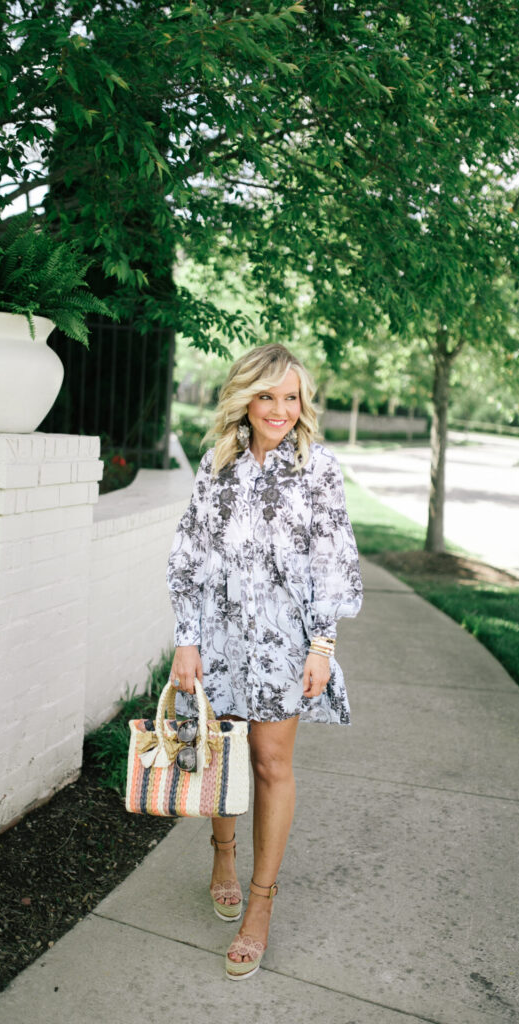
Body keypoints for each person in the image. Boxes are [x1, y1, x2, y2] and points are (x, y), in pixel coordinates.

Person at [166, 343, 362, 980]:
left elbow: (332, 562)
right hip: (220, 638)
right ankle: (222, 855)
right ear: (244, 400)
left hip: (285, 644)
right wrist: (186, 639)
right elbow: (191, 558)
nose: (280, 409)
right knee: (220, 753)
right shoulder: (217, 463)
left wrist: (323, 646)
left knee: (271, 763)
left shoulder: (319, 468)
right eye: (266, 395)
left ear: (303, 403)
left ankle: (261, 905)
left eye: (291, 396)